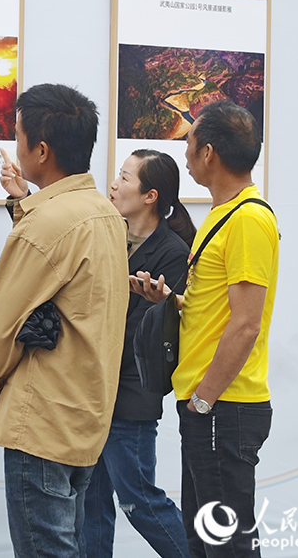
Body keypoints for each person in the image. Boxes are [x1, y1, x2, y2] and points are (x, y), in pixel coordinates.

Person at [0, 83, 129, 558]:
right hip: (84, 415)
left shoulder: (47, 225)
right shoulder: (106, 215)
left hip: (41, 421)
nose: (15, 146)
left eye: (18, 136)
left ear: (40, 149)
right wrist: (24, 203)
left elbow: (1, 325)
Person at [132, 101, 278, 558]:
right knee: (202, 543)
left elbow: (246, 324)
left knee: (227, 547)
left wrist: (203, 400)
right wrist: (170, 300)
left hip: (224, 406)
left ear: (209, 152)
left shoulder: (250, 219)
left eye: (189, 143)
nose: (186, 151)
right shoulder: (223, 213)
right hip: (208, 404)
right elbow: (216, 308)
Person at [84, 149, 195, 558]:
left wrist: (155, 302)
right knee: (90, 505)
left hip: (131, 393)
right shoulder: (110, 234)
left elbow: (157, 329)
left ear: (150, 195)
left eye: (125, 177)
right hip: (95, 390)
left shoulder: (172, 251)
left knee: (139, 501)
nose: (114, 183)